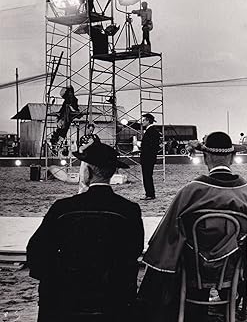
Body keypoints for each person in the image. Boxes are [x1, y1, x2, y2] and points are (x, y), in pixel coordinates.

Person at [138, 131, 247, 322]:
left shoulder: (191, 191)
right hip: (233, 267)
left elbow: (166, 234)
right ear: (232, 158)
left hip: (195, 268)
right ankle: (230, 302)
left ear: (205, 157)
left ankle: (194, 309)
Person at [27, 140, 144, 322]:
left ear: (87, 172)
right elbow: (133, 251)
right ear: (112, 173)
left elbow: (36, 251)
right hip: (112, 301)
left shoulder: (62, 209)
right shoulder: (129, 210)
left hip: (66, 301)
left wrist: (57, 278)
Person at [140, 113, 160, 200]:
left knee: (147, 176)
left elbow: (149, 146)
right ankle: (149, 193)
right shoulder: (153, 131)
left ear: (148, 121)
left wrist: (140, 146)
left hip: (147, 157)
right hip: (150, 157)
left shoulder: (151, 131)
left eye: (144, 120)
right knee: (148, 175)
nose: (142, 122)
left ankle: (149, 194)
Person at [78, 123, 101, 193]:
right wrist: (89, 144)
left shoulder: (96, 137)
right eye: (90, 130)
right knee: (83, 175)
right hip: (85, 158)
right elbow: (81, 149)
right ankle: (82, 191)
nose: (91, 132)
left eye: (92, 130)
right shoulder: (83, 138)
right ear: (87, 129)